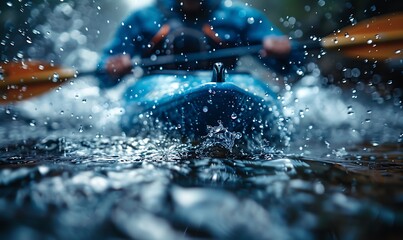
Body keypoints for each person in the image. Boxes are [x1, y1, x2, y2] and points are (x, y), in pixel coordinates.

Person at [97, 0, 302, 88]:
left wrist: (284, 53)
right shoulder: (142, 19)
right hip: (157, 88)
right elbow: (103, 75)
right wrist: (112, 67)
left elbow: (296, 68)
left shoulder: (240, 17)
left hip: (224, 86)